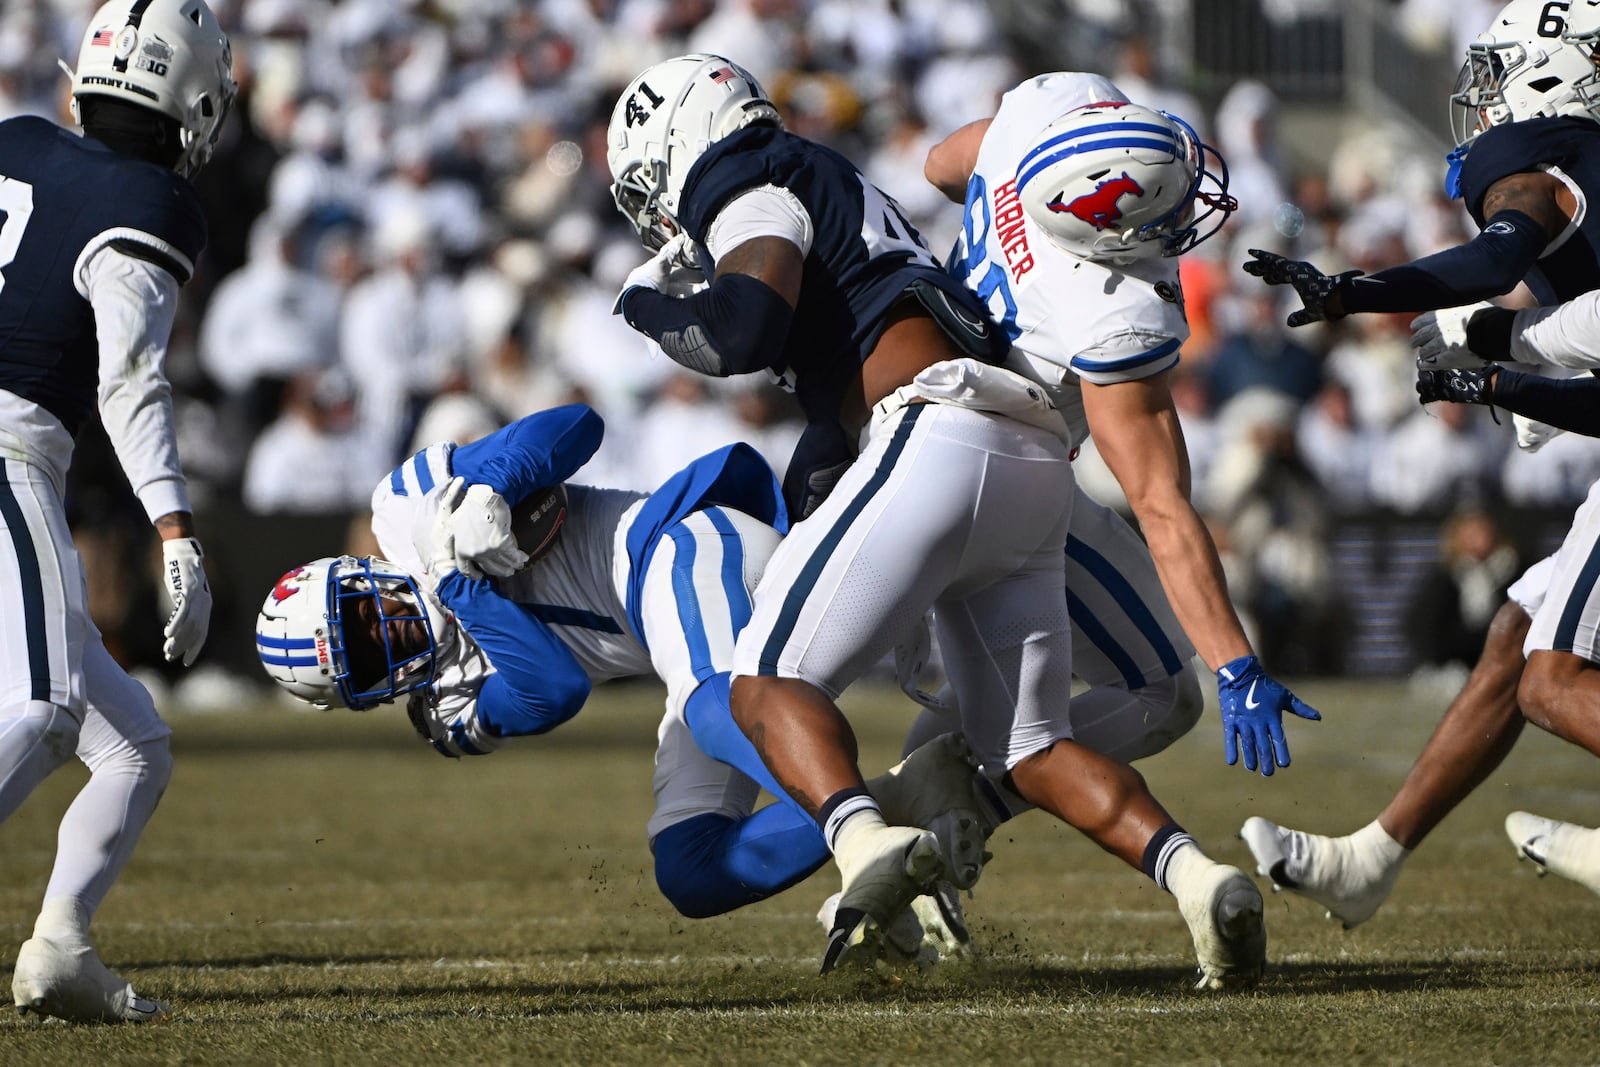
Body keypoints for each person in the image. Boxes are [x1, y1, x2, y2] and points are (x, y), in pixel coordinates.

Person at [607, 53, 1266, 987]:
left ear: (681, 140)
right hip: (1029, 450)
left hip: (934, 433)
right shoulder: (826, 173)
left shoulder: (749, 176)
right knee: (1031, 750)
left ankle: (866, 838)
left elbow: (741, 331)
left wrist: (645, 304)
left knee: (763, 684)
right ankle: (1200, 880)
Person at [257, 403, 957, 927]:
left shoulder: (403, 507)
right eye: (368, 650)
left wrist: (495, 485)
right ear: (365, 695)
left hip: (678, 546)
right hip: (669, 638)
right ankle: (903, 799)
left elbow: (573, 426)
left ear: (352, 572)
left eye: (360, 614)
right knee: (692, 869)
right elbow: (552, 688)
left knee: (716, 709)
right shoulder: (446, 709)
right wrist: (457, 584)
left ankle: (863, 842)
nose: (388, 626)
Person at [1237, 0, 1600, 924]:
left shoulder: (1536, 160)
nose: (1482, 101)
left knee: (1552, 683)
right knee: (1517, 633)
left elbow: (1493, 259)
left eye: (1499, 74)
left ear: (1558, 74)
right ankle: (1373, 857)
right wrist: (1499, 380)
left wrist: (1361, 290)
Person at [925, 72, 1321, 776]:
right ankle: (917, 811)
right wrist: (1236, 664)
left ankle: (895, 832)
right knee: (1163, 693)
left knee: (971, 700)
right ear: (1106, 232)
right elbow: (1161, 507)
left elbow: (941, 163)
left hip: (925, 431)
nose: (1188, 199)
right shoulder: (1114, 311)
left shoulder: (1043, 114)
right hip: (998, 470)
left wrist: (1011, 200)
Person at [0, 0, 233, 1024]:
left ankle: (61, 946)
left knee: (131, 740)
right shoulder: (150, 202)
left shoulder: (15, 139)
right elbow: (129, 378)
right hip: (6, 451)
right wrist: (176, 527)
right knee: (46, 706)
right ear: (194, 102)